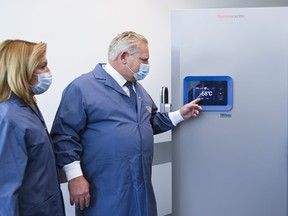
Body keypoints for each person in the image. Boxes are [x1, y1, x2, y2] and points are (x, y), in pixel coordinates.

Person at [50, 31, 202, 216]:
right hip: (104, 188)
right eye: (143, 60)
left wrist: (179, 115)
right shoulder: (83, 88)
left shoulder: (137, 89)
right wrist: (75, 176)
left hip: (140, 186)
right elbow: (64, 135)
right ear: (123, 57)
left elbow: (149, 122)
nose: (147, 65)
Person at [0, 39, 65, 216]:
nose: (48, 72)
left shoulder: (27, 107)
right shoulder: (8, 118)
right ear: (22, 71)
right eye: (42, 67)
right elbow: (5, 192)